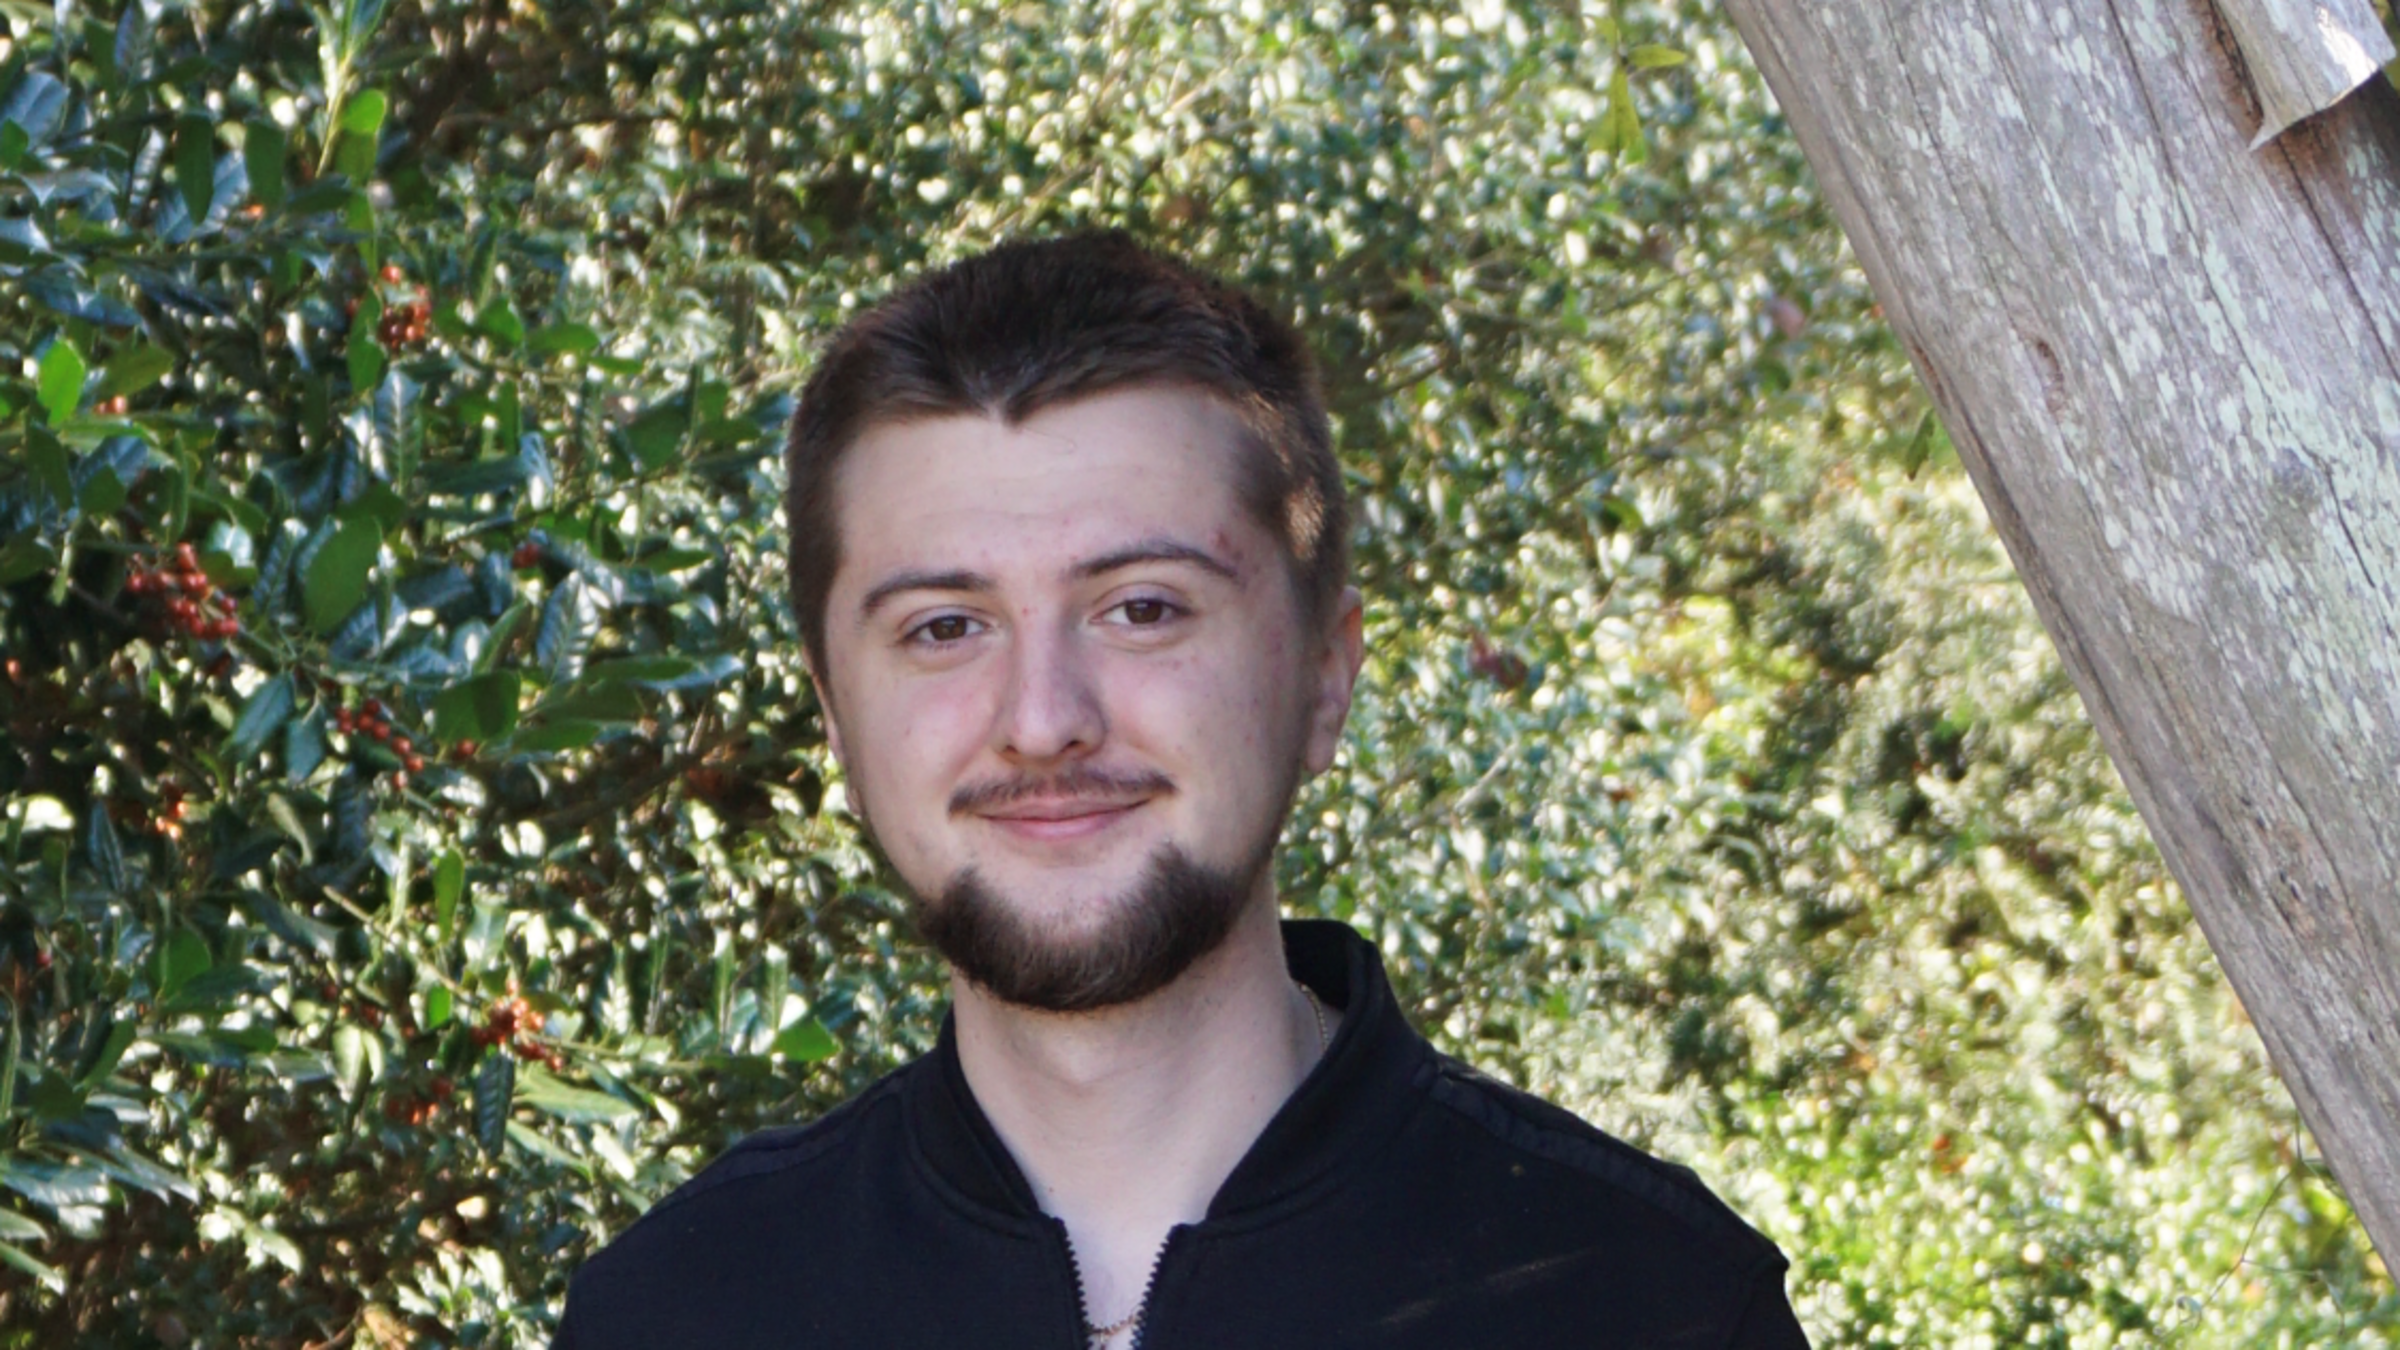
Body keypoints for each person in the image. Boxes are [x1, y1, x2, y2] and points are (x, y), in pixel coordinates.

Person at [552, 232, 1809, 1349]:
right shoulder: (674, 1310)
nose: (1042, 720)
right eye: (944, 627)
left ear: (1325, 677)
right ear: (834, 715)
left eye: (1143, 609)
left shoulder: (1653, 1305)